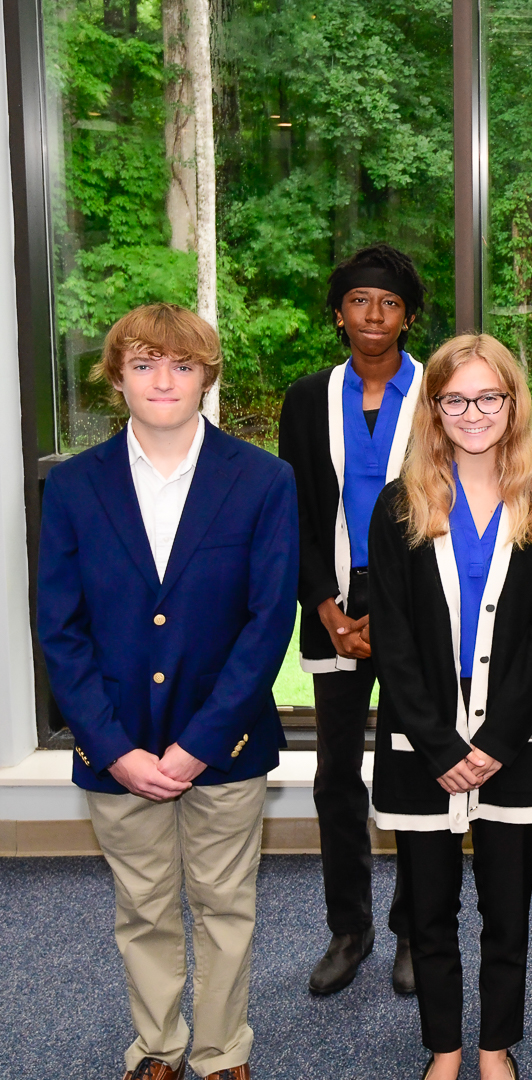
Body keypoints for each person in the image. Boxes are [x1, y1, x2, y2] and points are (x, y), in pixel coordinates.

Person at [37, 303, 298, 1080]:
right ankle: (158, 1045)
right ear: (115, 377)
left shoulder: (262, 480)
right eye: (145, 363)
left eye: (182, 365)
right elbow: (60, 629)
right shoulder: (74, 487)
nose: (163, 379)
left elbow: (266, 623)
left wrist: (197, 746)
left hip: (227, 740)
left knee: (225, 906)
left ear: (206, 378)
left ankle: (221, 1052)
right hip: (115, 743)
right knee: (143, 907)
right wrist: (113, 747)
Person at [368, 334, 532, 1080]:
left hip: (510, 736)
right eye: (456, 399)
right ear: (435, 409)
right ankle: (446, 1050)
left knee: (507, 913)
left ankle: (494, 1048)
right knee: (430, 913)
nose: (473, 412)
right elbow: (389, 637)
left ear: (512, 403)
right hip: (420, 740)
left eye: (489, 397)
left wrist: (496, 738)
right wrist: (441, 743)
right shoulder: (399, 505)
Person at [277, 243, 428, 995]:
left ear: (408, 316)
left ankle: (413, 929)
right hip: (331, 607)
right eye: (360, 301)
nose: (374, 315)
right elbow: (297, 514)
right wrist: (328, 608)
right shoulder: (307, 398)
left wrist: (392, 614)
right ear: (338, 315)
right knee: (338, 773)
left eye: (390, 303)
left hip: (418, 613)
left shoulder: (440, 394)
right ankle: (350, 928)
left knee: (414, 771)